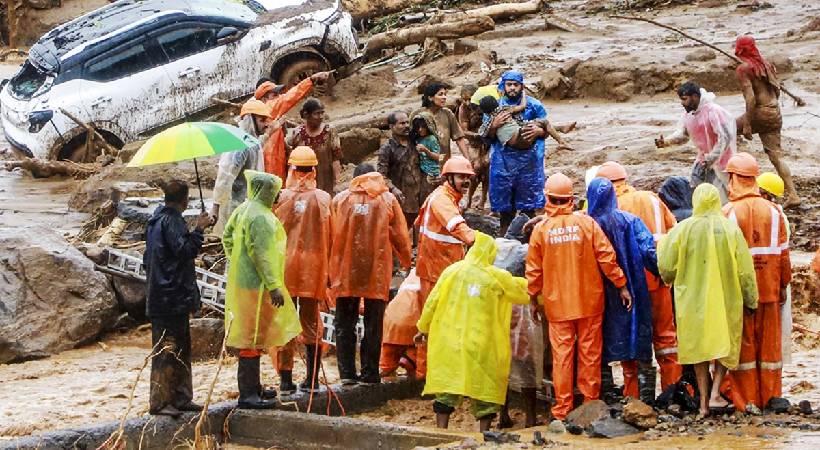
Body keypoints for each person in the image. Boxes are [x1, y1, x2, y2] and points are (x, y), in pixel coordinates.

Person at [525, 172, 630, 420]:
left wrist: (532, 298)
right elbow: (607, 256)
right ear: (571, 198)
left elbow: (533, 270)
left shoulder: (541, 230)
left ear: (548, 197)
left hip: (558, 305)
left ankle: (562, 410)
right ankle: (590, 402)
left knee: (562, 356)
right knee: (589, 353)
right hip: (590, 302)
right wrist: (621, 284)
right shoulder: (587, 224)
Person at [658, 183, 758, 418]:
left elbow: (666, 265)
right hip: (726, 298)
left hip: (691, 301)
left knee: (698, 349)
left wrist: (670, 279)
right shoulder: (730, 229)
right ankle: (715, 393)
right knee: (724, 344)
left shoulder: (682, 230)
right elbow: (745, 270)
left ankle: (703, 403)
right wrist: (751, 299)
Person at [417, 232, 530, 432]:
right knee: (484, 389)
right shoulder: (496, 276)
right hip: (483, 344)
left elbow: (431, 303)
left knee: (447, 388)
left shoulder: (451, 271)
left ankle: (441, 431)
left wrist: (422, 328)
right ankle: (484, 433)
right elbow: (524, 293)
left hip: (450, 343)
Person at [596, 161, 683, 396]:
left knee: (631, 338)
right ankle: (673, 390)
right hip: (660, 278)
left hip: (630, 286)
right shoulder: (653, 199)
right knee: (666, 338)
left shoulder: (609, 209)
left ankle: (633, 395)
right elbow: (673, 234)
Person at [223, 170, 302, 409]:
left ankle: (254, 387)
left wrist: (237, 262)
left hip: (243, 282)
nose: (277, 196)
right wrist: (274, 286)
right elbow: (263, 256)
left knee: (252, 336)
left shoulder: (243, 209)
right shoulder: (260, 217)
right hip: (257, 287)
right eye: (275, 191)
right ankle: (248, 394)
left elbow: (227, 237)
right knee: (252, 338)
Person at [328, 163, 412, 385]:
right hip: (377, 270)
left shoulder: (340, 200)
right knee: (373, 323)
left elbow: (329, 235)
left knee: (344, 322)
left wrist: (328, 270)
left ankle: (346, 374)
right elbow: (400, 235)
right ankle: (370, 372)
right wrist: (406, 261)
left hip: (345, 271)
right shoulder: (387, 200)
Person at [721, 152, 791, 414]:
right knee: (770, 351)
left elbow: (725, 261)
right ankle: (772, 398)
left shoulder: (728, 212)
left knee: (745, 351)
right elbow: (784, 255)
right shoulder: (774, 212)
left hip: (740, 296)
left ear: (735, 179)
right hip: (771, 291)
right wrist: (783, 286)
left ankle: (746, 401)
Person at [586, 177, 660, 405]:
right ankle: (645, 401)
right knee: (639, 342)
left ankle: (606, 399)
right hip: (633, 288)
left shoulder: (586, 225)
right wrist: (662, 273)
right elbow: (648, 250)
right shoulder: (629, 221)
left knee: (599, 346)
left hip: (597, 294)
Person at [144, 180, 210, 417]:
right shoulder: (171, 221)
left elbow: (148, 259)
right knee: (167, 349)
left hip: (164, 295)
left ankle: (181, 397)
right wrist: (200, 229)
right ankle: (161, 402)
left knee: (180, 347)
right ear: (185, 199)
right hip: (170, 297)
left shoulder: (154, 221)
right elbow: (185, 251)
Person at [271, 146, 332, 394]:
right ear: (314, 169)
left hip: (285, 267)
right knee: (311, 322)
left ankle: (285, 381)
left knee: (285, 322)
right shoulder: (324, 198)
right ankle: (313, 380)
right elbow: (333, 235)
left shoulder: (281, 197)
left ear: (292, 169)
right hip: (314, 269)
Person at [414, 156, 477, 379]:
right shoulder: (442, 200)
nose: (466, 181)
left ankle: (429, 372)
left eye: (468, 177)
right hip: (435, 271)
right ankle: (425, 374)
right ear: (449, 177)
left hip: (441, 270)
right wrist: (478, 241)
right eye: (461, 177)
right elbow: (456, 227)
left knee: (435, 323)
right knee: (431, 324)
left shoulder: (448, 198)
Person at [734, 35, 800, 207]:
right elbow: (776, 92)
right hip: (775, 112)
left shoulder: (743, 69)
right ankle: (793, 195)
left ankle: (732, 181)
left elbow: (751, 99)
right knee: (776, 157)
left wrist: (748, 123)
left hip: (760, 113)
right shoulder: (767, 65)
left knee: (726, 129)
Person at [485, 71, 549, 235]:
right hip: (503, 163)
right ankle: (505, 243)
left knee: (529, 208)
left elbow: (546, 127)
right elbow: (485, 137)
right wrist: (494, 126)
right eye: (509, 84)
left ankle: (531, 242)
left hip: (529, 164)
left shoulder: (534, 105)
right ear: (503, 86)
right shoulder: (495, 107)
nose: (512, 88)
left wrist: (539, 132)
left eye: (516, 85)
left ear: (522, 86)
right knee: (505, 211)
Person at [655, 81, 737, 203]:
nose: (682, 103)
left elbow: (725, 136)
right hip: (703, 160)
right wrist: (666, 142)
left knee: (724, 196)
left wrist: (712, 157)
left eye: (684, 99)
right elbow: (684, 135)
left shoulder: (713, 111)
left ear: (695, 97)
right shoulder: (688, 115)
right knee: (698, 191)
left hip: (722, 162)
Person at [212, 99, 277, 234]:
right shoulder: (239, 146)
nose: (266, 124)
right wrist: (215, 206)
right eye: (262, 120)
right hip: (234, 206)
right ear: (250, 120)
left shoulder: (251, 141)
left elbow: (257, 148)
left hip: (247, 205)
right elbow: (225, 177)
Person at [258, 71, 333, 178]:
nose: (279, 97)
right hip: (270, 167)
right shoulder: (268, 109)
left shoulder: (265, 116)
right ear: (264, 99)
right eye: (274, 95)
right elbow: (290, 96)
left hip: (274, 164)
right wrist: (311, 79)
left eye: (279, 94)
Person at [377, 112, 432, 244]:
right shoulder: (387, 149)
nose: (406, 126)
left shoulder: (416, 141)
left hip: (421, 192)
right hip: (401, 198)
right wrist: (394, 189)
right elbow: (381, 175)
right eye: (402, 123)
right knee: (400, 231)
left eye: (407, 122)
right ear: (392, 126)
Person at [756, 172, 793, 366]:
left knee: (770, 335)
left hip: (772, 282)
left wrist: (782, 286)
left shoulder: (775, 216)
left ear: (765, 194)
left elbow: (782, 256)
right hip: (774, 281)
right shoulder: (777, 215)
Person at [286, 98, 342, 194]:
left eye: (322, 113)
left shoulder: (330, 132)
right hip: (303, 183)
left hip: (325, 181)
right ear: (306, 115)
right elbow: (291, 160)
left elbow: (335, 158)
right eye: (316, 113)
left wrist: (338, 181)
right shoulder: (297, 134)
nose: (320, 116)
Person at [412, 83, 471, 164]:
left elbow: (459, 138)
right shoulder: (417, 114)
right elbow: (410, 139)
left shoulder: (447, 113)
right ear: (430, 97)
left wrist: (467, 160)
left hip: (444, 163)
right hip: (424, 165)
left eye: (445, 94)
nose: (444, 97)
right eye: (440, 94)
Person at [380, 269, 422, 378]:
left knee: (389, 353)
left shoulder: (414, 272)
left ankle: (387, 367)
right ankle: (410, 359)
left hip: (392, 315)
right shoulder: (438, 273)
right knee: (421, 344)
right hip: (414, 316)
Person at [410, 111, 443, 182]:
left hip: (433, 173)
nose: (420, 129)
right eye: (418, 127)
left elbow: (439, 157)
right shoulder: (417, 139)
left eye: (423, 127)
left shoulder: (432, 139)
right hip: (422, 172)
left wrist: (426, 150)